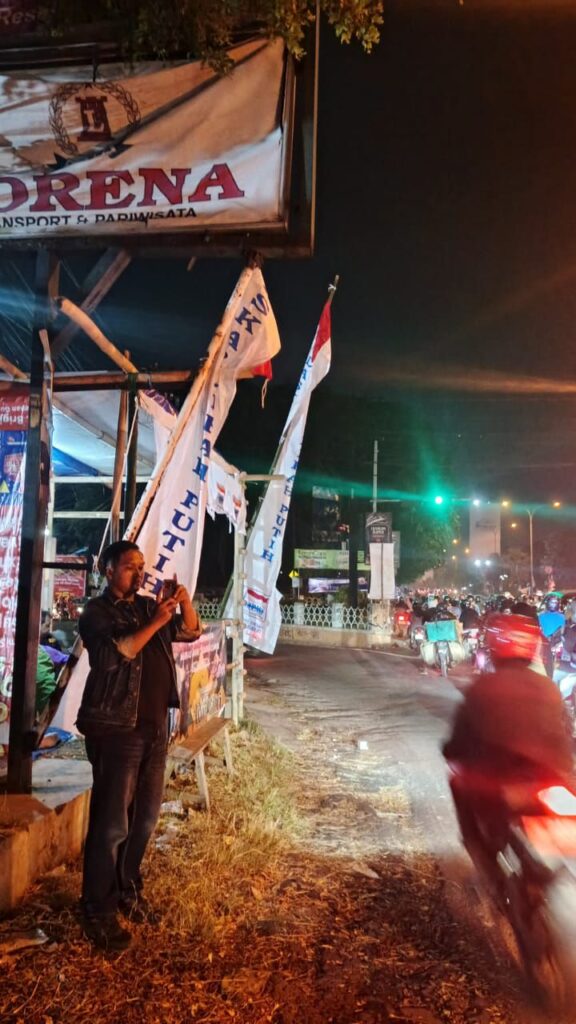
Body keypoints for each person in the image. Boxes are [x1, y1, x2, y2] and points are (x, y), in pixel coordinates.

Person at [77, 541, 202, 951]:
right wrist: (158, 619)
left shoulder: (148, 607)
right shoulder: (97, 612)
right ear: (108, 569)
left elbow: (190, 631)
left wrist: (182, 603)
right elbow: (116, 655)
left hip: (154, 729)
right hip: (117, 729)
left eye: (142, 566)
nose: (139, 572)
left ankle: (128, 891)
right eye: (130, 566)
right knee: (112, 823)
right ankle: (97, 910)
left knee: (144, 819)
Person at [443, 613, 573, 881]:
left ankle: (482, 855)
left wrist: (452, 751)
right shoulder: (548, 687)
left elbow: (459, 739)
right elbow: (566, 732)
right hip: (553, 777)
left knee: (457, 782)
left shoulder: (483, 687)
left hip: (502, 782)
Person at [538, 593, 565, 677]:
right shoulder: (541, 615)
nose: (553, 604)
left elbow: (563, 632)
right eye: (551, 602)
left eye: (555, 602)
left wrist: (558, 644)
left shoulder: (562, 617)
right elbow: (539, 630)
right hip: (546, 644)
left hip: (554, 645)